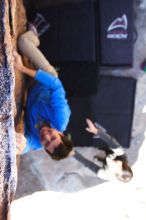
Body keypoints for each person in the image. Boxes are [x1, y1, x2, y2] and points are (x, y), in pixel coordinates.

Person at [13, 13, 74, 160]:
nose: (46, 136)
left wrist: (20, 148)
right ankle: (34, 34)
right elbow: (56, 85)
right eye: (53, 137)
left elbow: (27, 145)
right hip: (46, 79)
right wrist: (21, 68)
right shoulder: (61, 117)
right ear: (60, 133)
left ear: (44, 148)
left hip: (29, 88)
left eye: (46, 143)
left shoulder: (37, 142)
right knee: (23, 42)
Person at [85, 118, 133, 182]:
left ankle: (101, 159)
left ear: (115, 174)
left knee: (104, 159)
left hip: (107, 163)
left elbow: (89, 165)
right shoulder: (123, 158)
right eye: (123, 165)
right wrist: (96, 131)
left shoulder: (106, 175)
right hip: (110, 153)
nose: (119, 163)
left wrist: (74, 154)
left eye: (119, 168)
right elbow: (111, 141)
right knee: (110, 142)